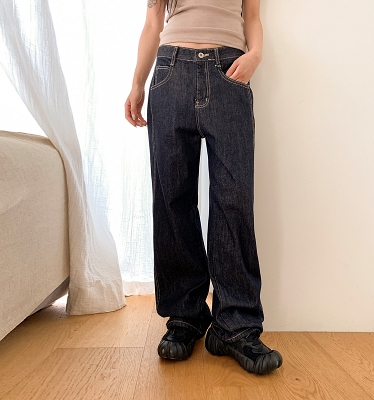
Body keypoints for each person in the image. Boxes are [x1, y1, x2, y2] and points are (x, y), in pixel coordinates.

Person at [125, 0, 283, 375]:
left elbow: (252, 16)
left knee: (234, 201)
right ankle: (186, 316)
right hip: (170, 71)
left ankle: (235, 327)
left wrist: (255, 54)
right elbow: (153, 22)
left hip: (229, 71)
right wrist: (136, 83)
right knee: (172, 199)